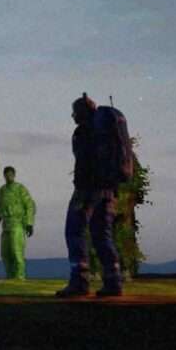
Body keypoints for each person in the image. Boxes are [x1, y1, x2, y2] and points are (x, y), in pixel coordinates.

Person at [57, 94, 125, 298]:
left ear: (81, 112)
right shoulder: (106, 129)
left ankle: (80, 280)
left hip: (88, 189)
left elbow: (83, 160)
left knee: (74, 231)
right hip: (109, 189)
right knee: (102, 234)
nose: (72, 116)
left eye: (74, 112)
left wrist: (83, 186)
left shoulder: (84, 131)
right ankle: (114, 281)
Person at [0, 165, 35, 280]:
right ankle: (10, 277)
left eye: (11, 174)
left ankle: (20, 277)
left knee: (17, 252)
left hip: (17, 224)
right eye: (6, 174)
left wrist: (29, 223)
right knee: (5, 254)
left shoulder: (20, 189)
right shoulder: (2, 190)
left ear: (14, 175)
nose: (8, 176)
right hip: (5, 226)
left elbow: (29, 205)